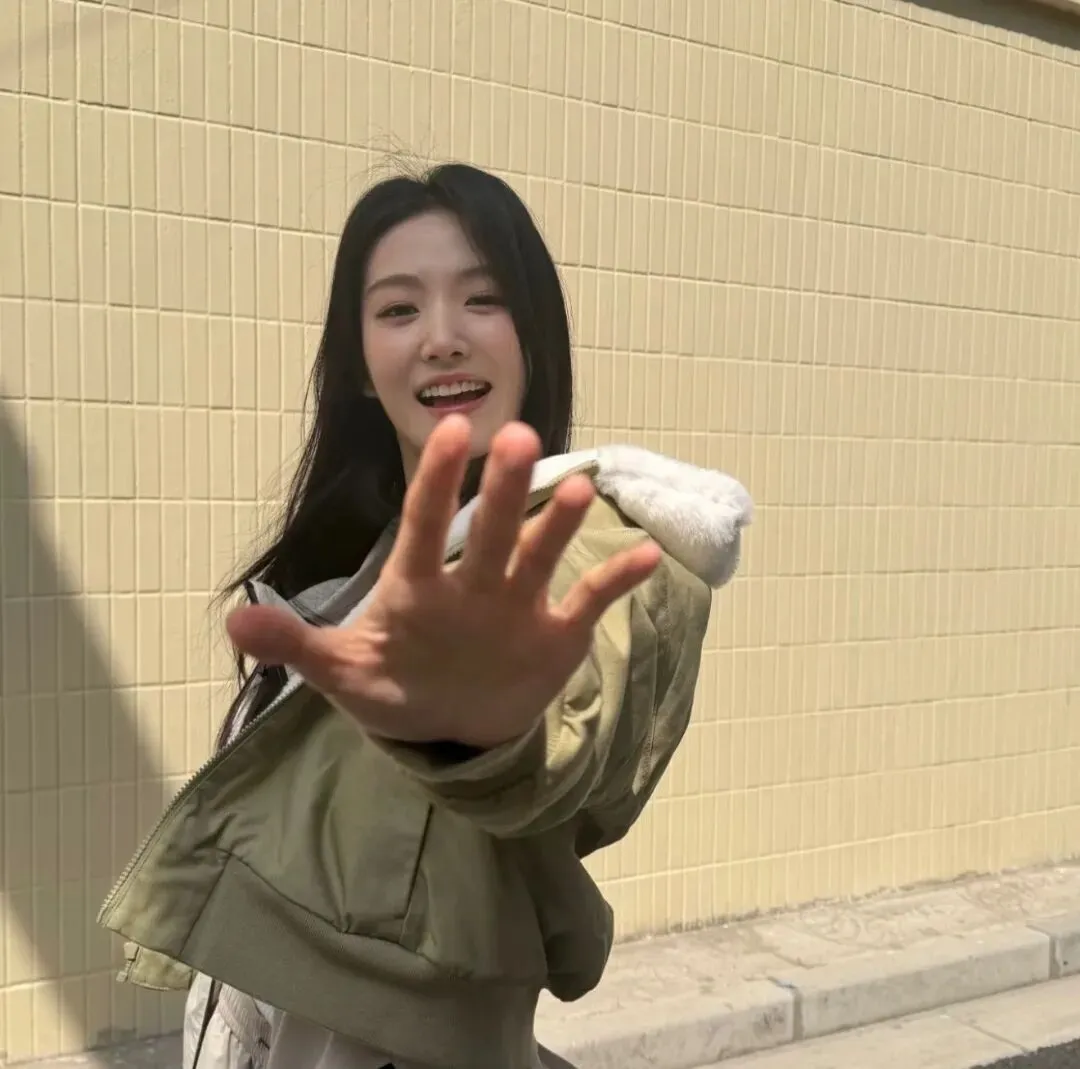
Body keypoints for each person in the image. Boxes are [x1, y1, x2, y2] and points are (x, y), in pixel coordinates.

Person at [98, 163, 752, 1069]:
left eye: (483, 299)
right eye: (399, 309)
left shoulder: (592, 541)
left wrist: (474, 737)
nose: (442, 338)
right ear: (361, 366)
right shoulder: (354, 566)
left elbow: (572, 721)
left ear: (534, 338)